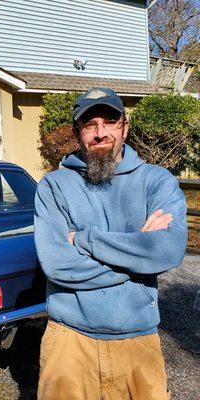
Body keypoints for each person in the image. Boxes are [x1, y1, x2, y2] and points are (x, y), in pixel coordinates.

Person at [34, 87, 187, 400]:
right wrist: (138, 258)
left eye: (109, 122)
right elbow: (56, 264)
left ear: (125, 128)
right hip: (68, 341)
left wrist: (84, 239)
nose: (100, 133)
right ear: (78, 133)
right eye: (90, 125)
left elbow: (168, 250)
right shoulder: (54, 186)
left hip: (138, 341)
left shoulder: (157, 182)